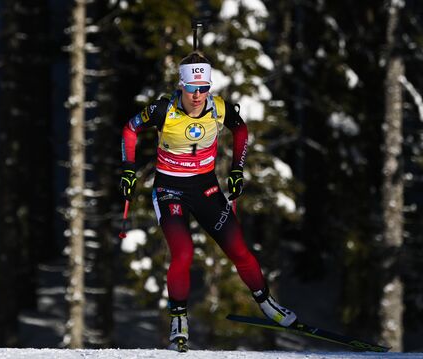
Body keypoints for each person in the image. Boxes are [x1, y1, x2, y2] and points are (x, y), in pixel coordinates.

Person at [120, 51, 297, 350]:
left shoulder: (218, 108)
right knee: (183, 253)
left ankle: (267, 304)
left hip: (205, 188)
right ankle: (179, 319)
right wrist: (128, 168)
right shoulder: (164, 109)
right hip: (169, 189)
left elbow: (241, 129)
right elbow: (130, 128)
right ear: (181, 86)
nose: (198, 95)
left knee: (239, 249)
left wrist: (238, 169)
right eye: (192, 88)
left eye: (204, 88)